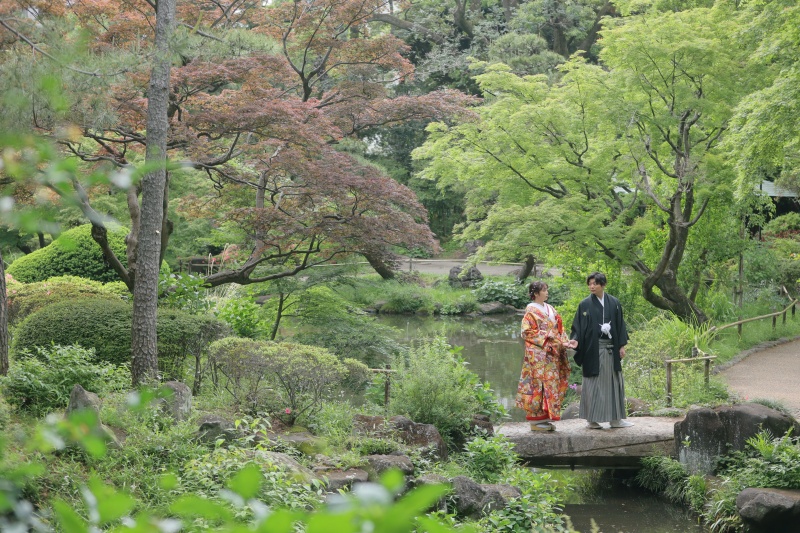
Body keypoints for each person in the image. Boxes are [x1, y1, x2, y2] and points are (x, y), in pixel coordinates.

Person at [570, 272, 633, 429]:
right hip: (593, 349)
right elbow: (578, 326)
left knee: (615, 381)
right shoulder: (585, 304)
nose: (592, 286)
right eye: (590, 283)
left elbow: (620, 325)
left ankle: (616, 419)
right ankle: (592, 419)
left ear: (603, 285)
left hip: (611, 348)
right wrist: (575, 340)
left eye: (595, 283)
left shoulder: (614, 302)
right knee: (593, 383)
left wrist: (621, 346)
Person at [516, 281, 572, 432]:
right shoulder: (531, 310)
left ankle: (545, 418)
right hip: (539, 355)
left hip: (552, 353)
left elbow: (559, 328)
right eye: (544, 290)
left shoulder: (550, 308)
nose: (547, 292)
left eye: (547, 290)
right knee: (538, 385)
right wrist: (548, 338)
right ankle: (536, 420)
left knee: (553, 382)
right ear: (535, 293)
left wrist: (565, 342)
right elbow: (526, 332)